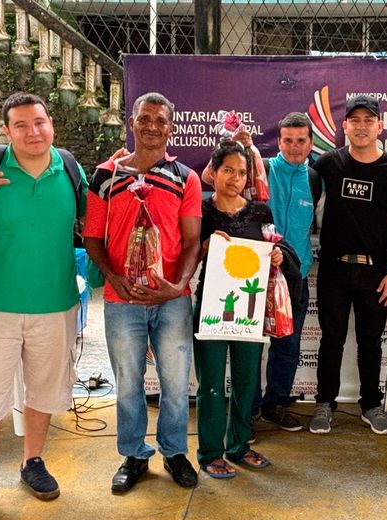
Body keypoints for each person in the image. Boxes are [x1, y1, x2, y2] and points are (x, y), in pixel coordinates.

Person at [0, 92, 87, 520]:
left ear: (52, 125)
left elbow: (91, 220)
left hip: (55, 303)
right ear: (7, 131)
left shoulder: (70, 169)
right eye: (21, 125)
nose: (33, 132)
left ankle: (33, 461)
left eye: (40, 122)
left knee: (43, 389)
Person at [83, 92, 201, 493]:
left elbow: (192, 241)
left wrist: (178, 286)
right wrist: (113, 277)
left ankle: (175, 451)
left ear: (171, 128)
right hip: (123, 300)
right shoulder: (105, 176)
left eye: (160, 120)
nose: (152, 126)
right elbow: (92, 237)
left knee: (176, 382)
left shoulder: (185, 177)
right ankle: (133, 454)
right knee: (128, 384)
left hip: (172, 301)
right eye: (144, 118)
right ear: (131, 123)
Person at [309, 94, 387, 435]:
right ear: (345, 125)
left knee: (370, 342)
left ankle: (371, 405)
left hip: (377, 271)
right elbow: (293, 186)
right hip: (333, 268)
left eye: (369, 120)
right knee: (331, 339)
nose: (362, 126)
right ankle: (324, 404)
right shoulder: (328, 164)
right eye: (355, 120)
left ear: (380, 126)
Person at [194, 140, 281, 478]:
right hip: (211, 307)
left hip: (249, 308)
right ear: (213, 172)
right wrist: (204, 247)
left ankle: (239, 445)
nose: (235, 178)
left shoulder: (261, 212)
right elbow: (184, 255)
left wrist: (277, 254)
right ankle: (210, 452)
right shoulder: (200, 211)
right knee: (212, 384)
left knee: (247, 381)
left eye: (242, 173)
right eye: (228, 170)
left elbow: (275, 246)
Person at [252, 112, 321, 433]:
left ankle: (276, 405)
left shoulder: (316, 179)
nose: (294, 147)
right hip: (255, 274)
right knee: (251, 346)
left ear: (311, 143)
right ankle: (248, 410)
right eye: (288, 140)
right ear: (278, 142)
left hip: (295, 278)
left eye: (301, 141)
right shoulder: (261, 169)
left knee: (288, 345)